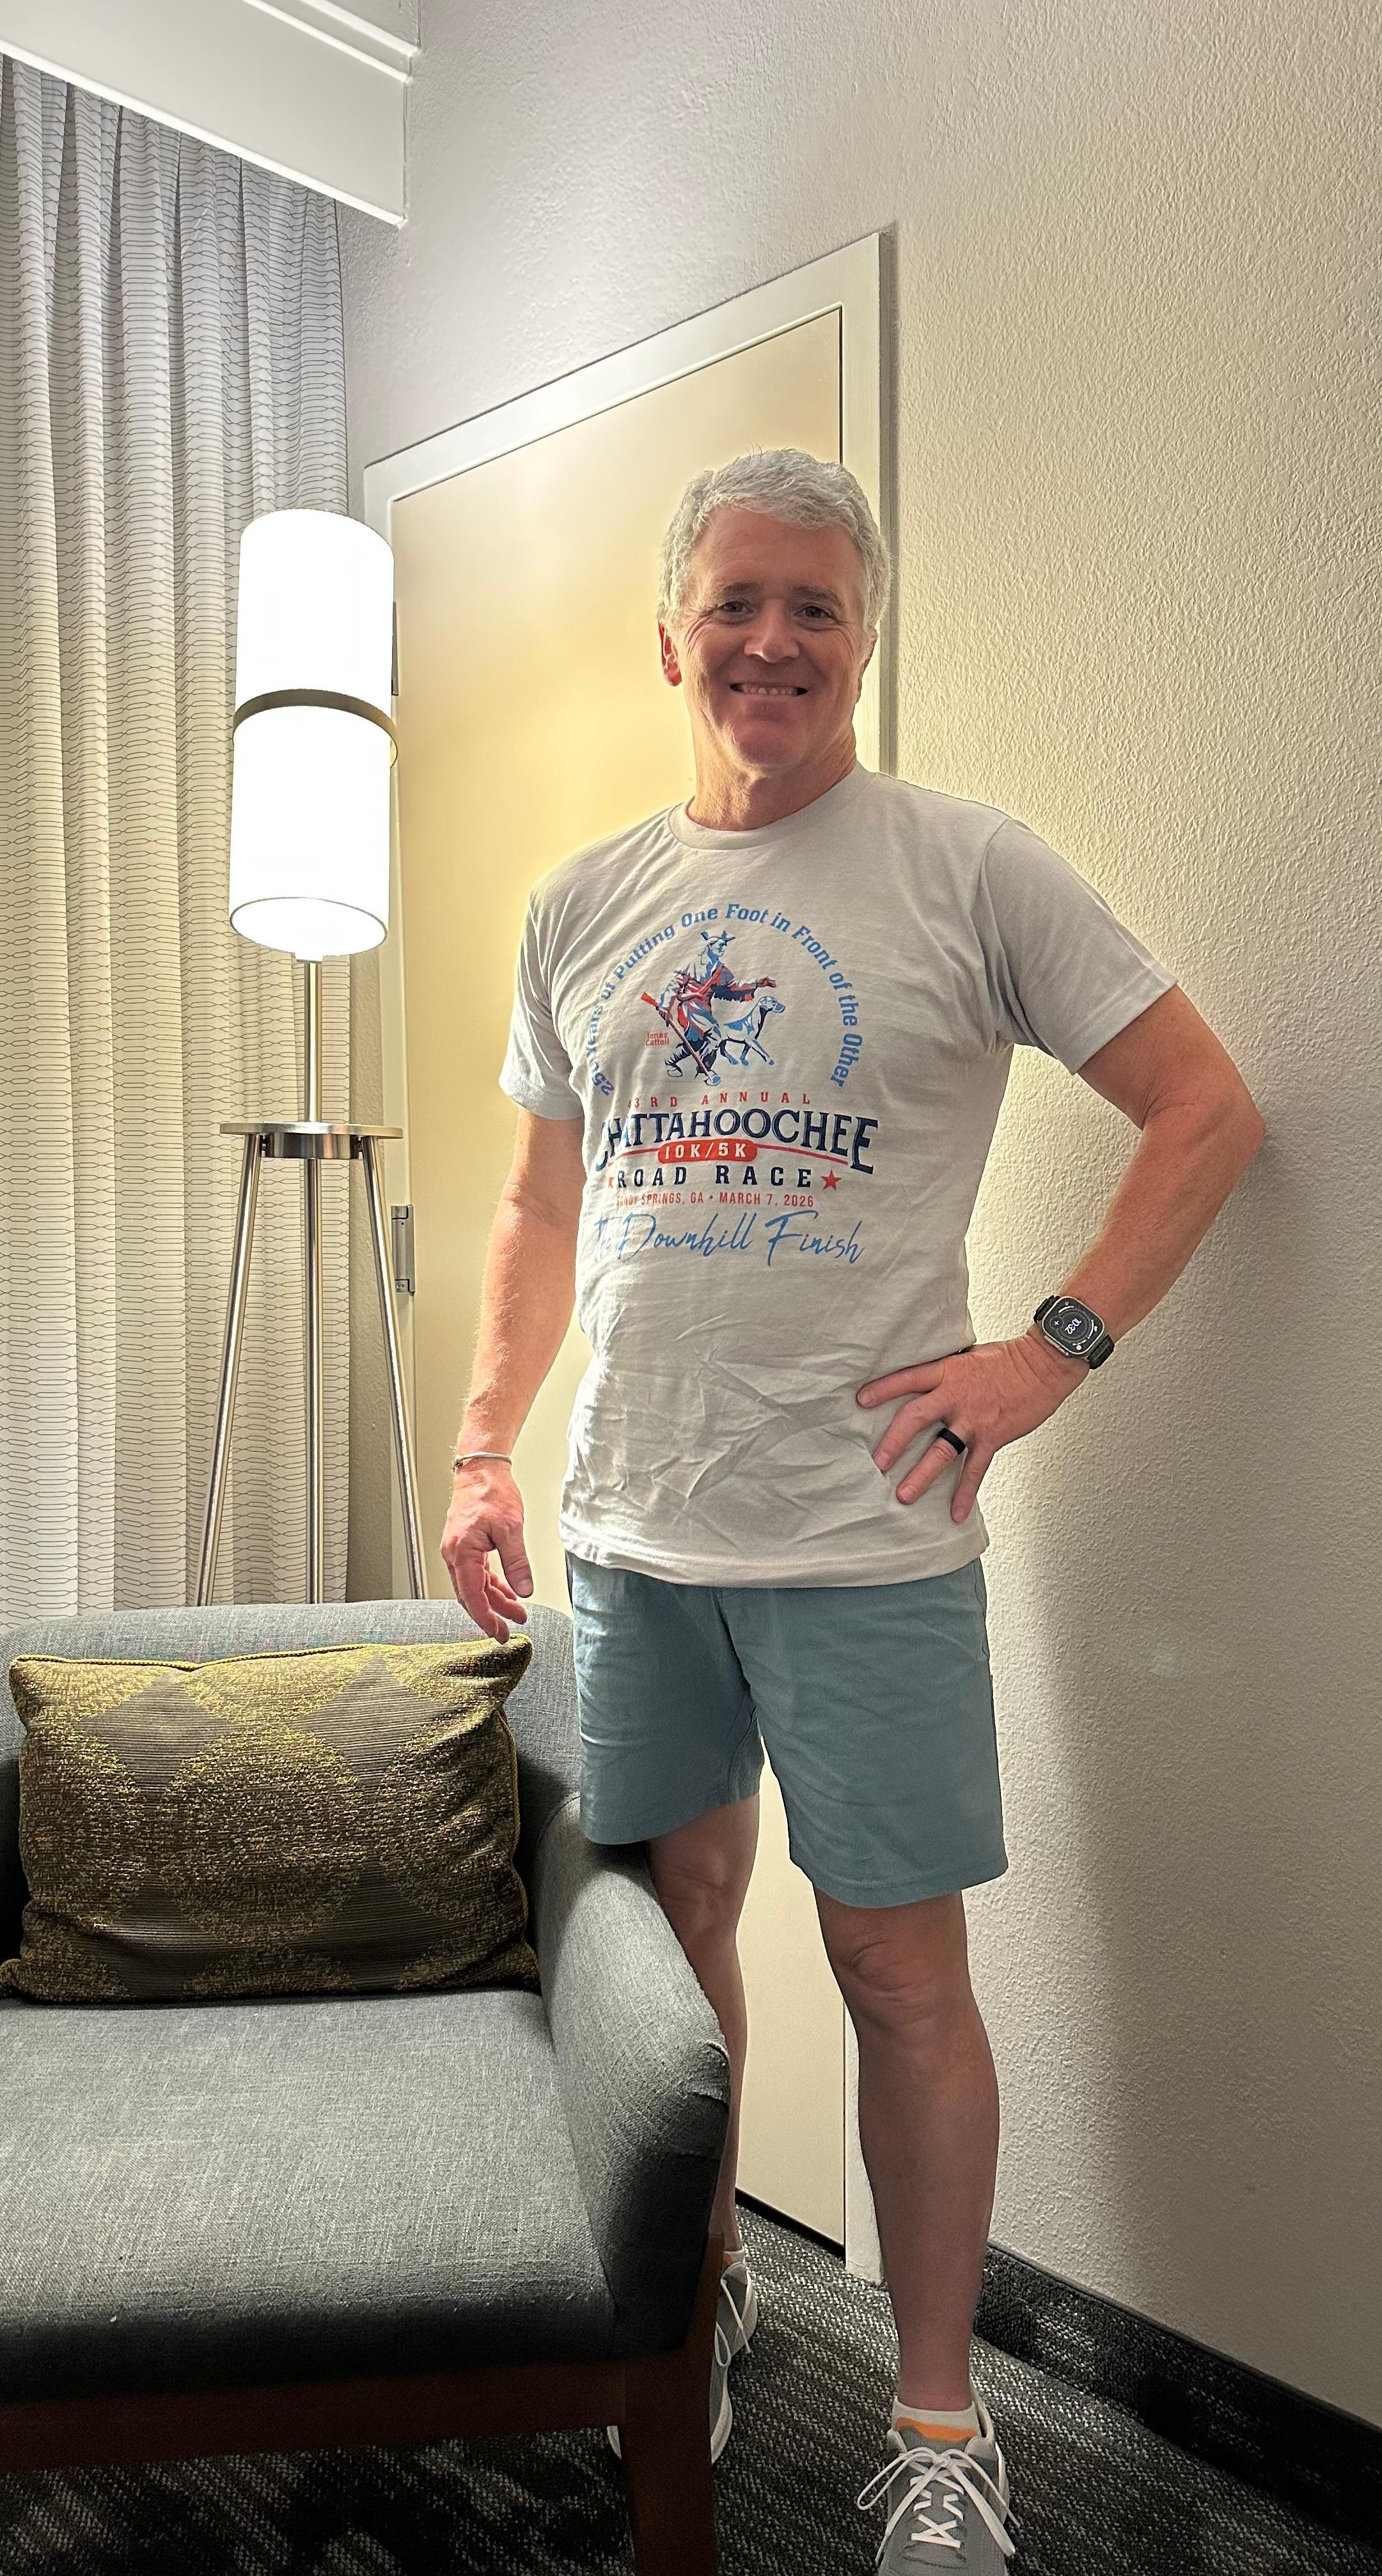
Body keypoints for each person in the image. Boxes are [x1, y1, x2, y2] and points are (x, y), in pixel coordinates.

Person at [439, 448, 1264, 2571]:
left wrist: (1047, 1353)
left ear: (863, 638)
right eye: (735, 600)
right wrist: (480, 1445)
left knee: (898, 1975)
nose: (772, 639)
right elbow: (540, 1203)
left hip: (868, 1543)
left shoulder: (963, 869)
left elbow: (1200, 1107)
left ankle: (939, 2427)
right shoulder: (581, 904)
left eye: (814, 605)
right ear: (671, 636)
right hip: (632, 1535)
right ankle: (708, 2289)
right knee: (670, 1939)